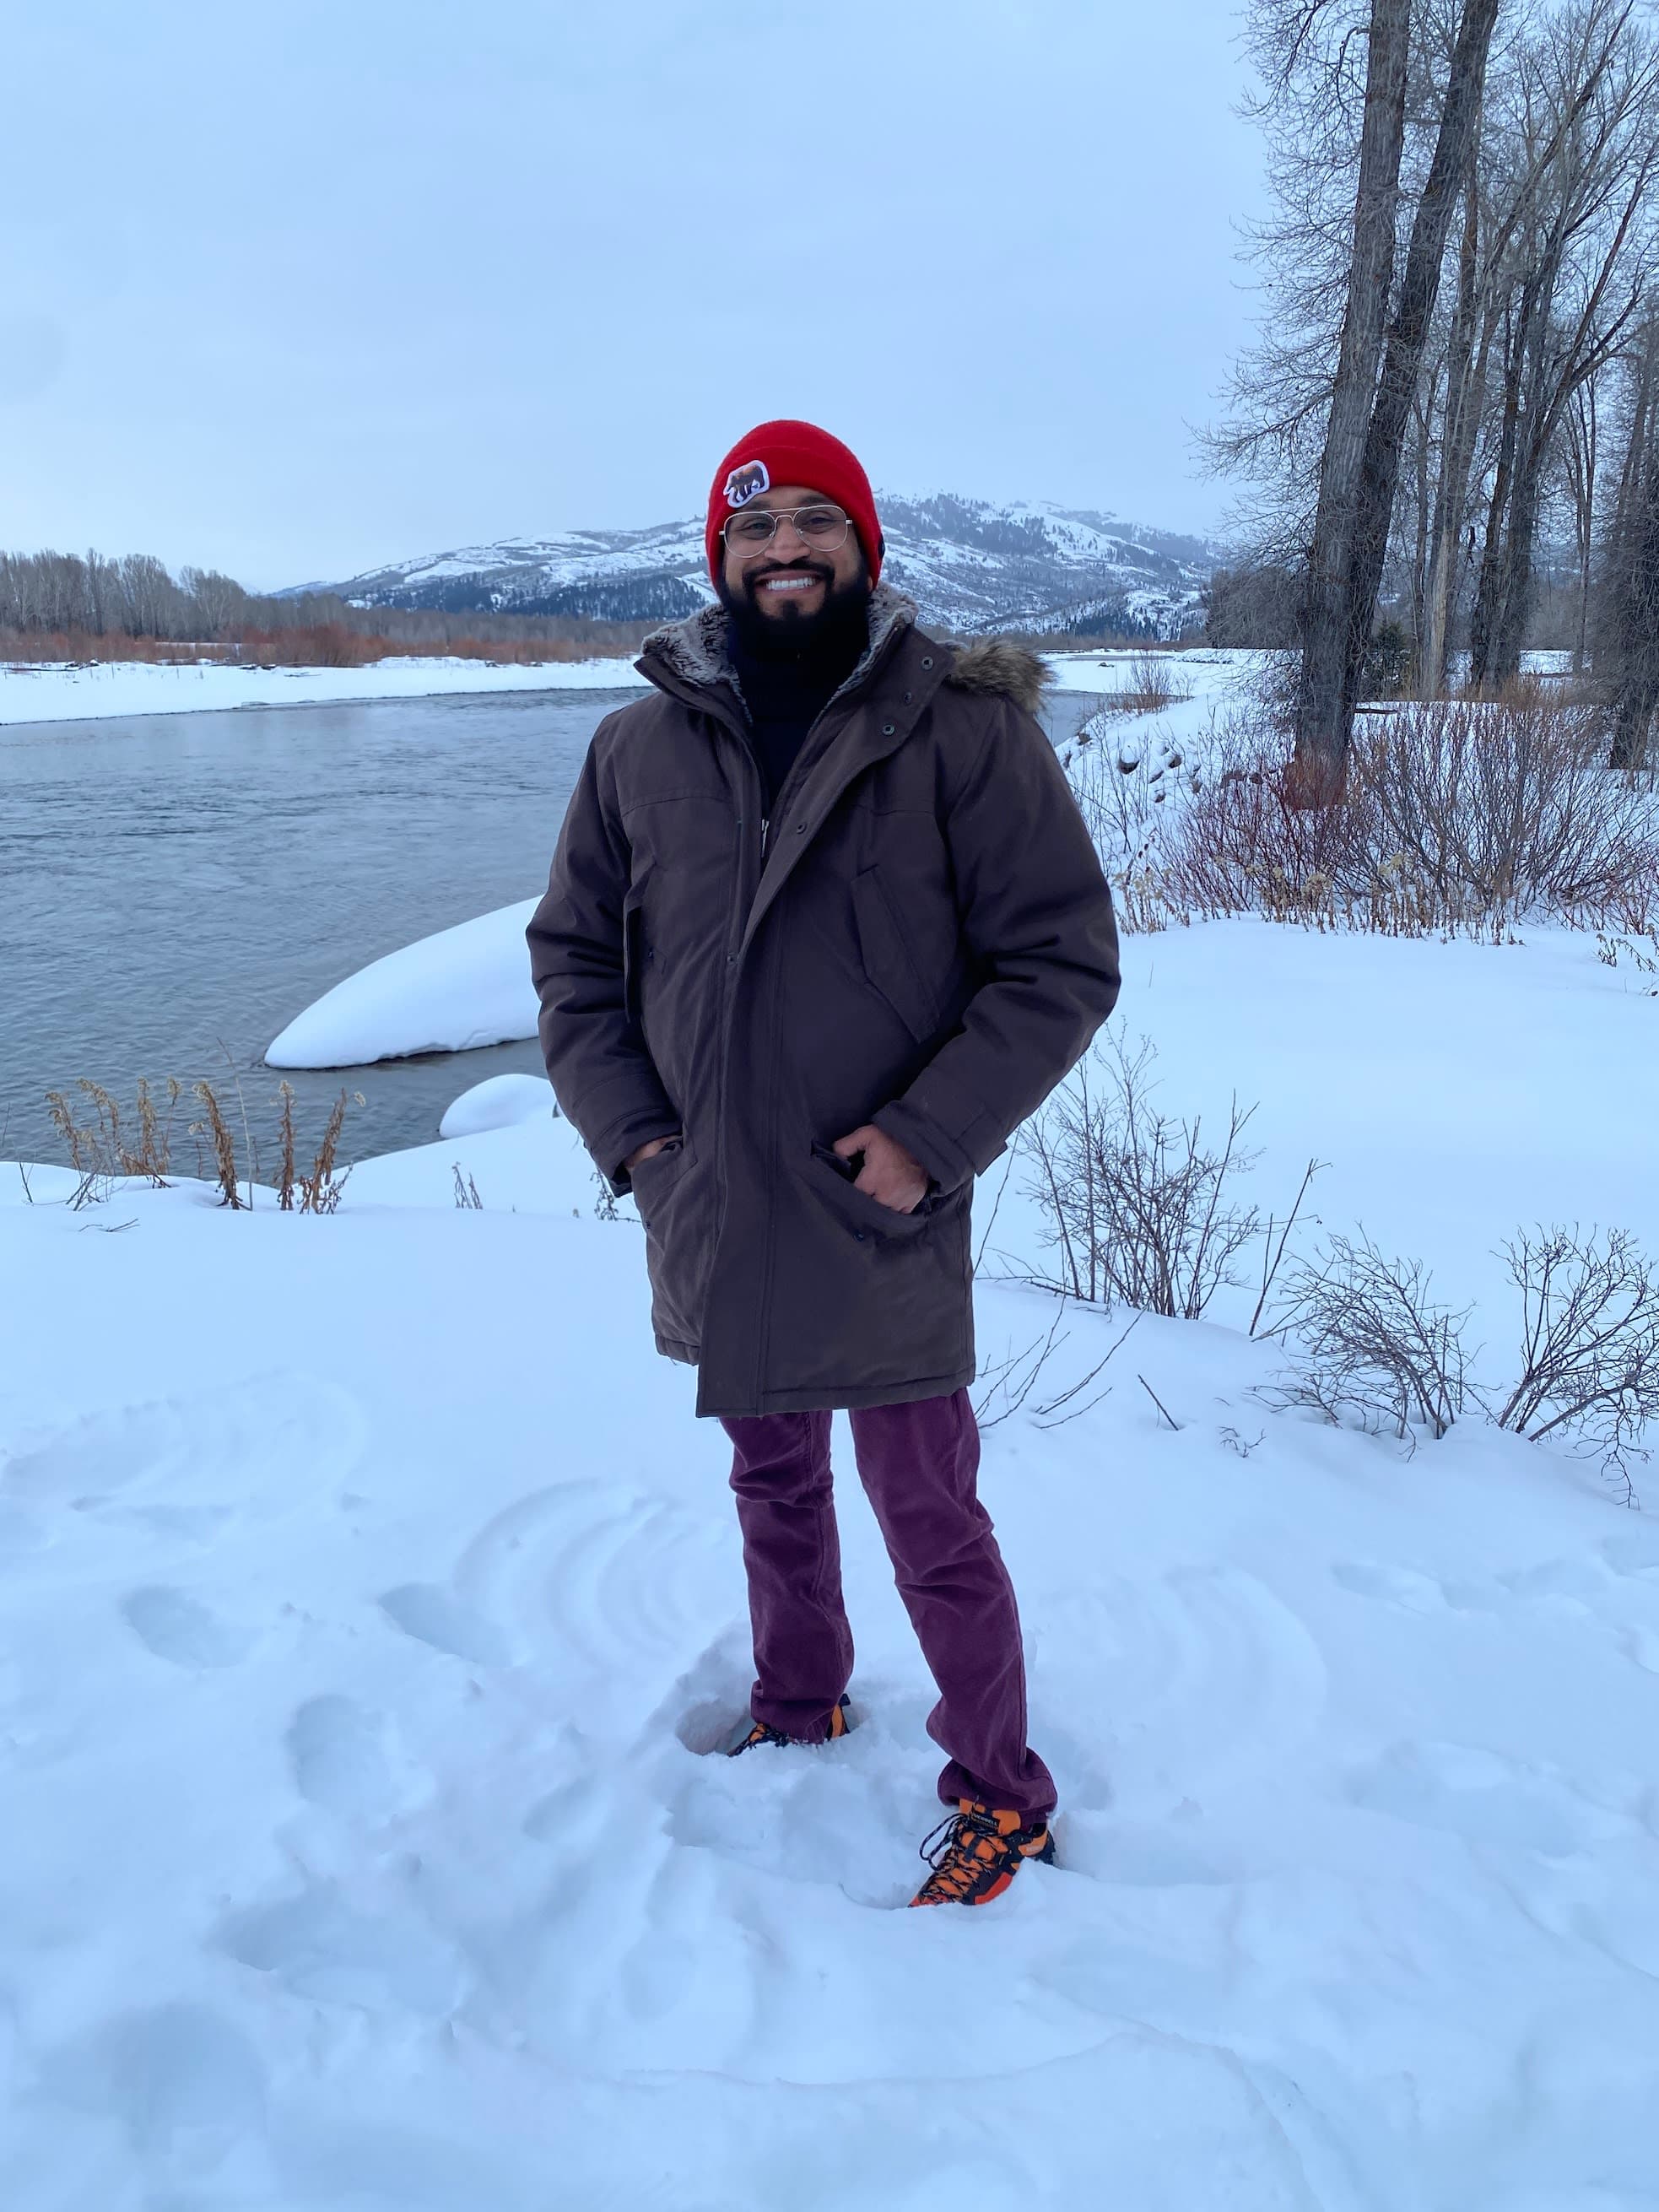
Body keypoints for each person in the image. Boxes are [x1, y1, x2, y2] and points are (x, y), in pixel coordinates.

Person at [527, 420, 1120, 1906]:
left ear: (863, 547)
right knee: (768, 1474)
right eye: (752, 529)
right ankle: (803, 1694)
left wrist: (927, 1138)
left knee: (929, 1509)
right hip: (712, 1195)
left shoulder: (962, 730)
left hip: (880, 1204)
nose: (782, 548)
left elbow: (1058, 960)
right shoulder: (638, 746)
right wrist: (640, 1140)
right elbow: (572, 967)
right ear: (716, 559)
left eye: (811, 522)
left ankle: (1003, 1789)